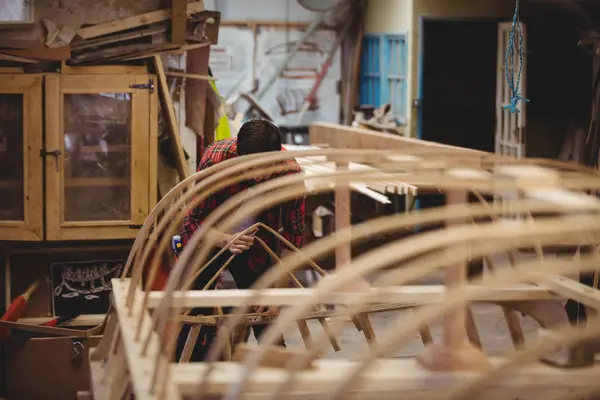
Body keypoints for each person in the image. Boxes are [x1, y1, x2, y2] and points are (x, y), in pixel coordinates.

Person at [175, 119, 306, 362]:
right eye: (249, 169)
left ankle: (277, 385)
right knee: (192, 314)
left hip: (255, 245)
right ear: (239, 155)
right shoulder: (216, 160)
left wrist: (277, 294)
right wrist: (224, 239)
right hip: (210, 242)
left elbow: (292, 240)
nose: (257, 178)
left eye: (263, 169)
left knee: (266, 318)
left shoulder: (289, 174)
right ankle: (183, 376)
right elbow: (192, 222)